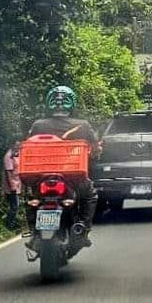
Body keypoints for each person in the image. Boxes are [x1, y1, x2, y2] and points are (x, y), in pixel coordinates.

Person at [27, 85, 100, 247]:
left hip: (42, 174)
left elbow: (30, 145)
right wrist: (95, 153)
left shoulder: (38, 125)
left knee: (33, 198)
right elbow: (95, 147)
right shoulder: (82, 125)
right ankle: (83, 229)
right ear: (71, 103)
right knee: (90, 194)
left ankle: (33, 233)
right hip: (72, 175)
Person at [2, 141, 22, 231]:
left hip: (17, 183)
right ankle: (9, 224)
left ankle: (12, 222)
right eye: (16, 145)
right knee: (15, 206)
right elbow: (8, 172)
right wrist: (12, 185)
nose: (18, 147)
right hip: (11, 185)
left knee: (15, 205)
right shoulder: (8, 156)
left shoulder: (16, 155)